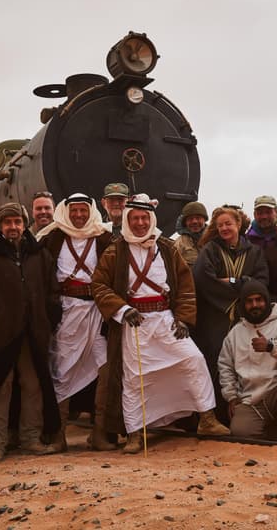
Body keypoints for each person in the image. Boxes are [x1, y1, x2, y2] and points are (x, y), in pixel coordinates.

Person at [92, 194, 230, 453]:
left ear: (151, 218)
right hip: (135, 323)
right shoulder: (116, 250)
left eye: (145, 218)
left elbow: (186, 284)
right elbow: (99, 285)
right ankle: (135, 433)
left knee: (193, 360)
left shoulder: (166, 248)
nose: (141, 223)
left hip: (166, 320)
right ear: (127, 220)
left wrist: (184, 319)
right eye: (135, 218)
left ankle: (207, 419)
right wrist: (122, 309)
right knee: (135, 379)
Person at [0, 203, 62, 464]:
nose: (13, 227)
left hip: (33, 332)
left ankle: (30, 438)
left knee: (33, 384)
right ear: (0, 226)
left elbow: (52, 288)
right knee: (0, 388)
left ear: (24, 224)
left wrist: (49, 316)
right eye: (7, 222)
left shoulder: (40, 255)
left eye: (17, 222)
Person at [37, 193, 115, 451]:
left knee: (104, 369)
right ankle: (58, 435)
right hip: (66, 313)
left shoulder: (103, 237)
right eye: (75, 211)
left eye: (83, 210)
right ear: (66, 212)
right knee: (62, 371)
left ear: (90, 211)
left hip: (96, 312)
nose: (79, 216)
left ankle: (100, 433)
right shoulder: (53, 237)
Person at [193, 205, 268, 422]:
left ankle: (248, 416)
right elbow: (202, 278)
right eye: (220, 225)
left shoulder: (254, 251)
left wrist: (236, 282)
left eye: (229, 223)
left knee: (247, 360)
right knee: (217, 362)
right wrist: (240, 291)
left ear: (239, 225)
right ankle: (217, 418)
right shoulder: (210, 250)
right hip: (216, 316)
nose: (225, 228)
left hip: (246, 316)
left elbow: (261, 281)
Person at [218, 279, 277, 443]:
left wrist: (272, 347)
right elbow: (225, 367)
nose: (255, 305)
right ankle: (271, 433)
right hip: (251, 397)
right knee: (241, 433)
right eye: (249, 301)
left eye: (259, 300)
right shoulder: (235, 333)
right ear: (243, 304)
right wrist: (232, 397)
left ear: (267, 301)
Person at [173, 201, 208, 267]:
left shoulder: (214, 240)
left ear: (204, 220)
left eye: (198, 218)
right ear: (185, 223)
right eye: (190, 219)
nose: (194, 221)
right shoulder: (179, 244)